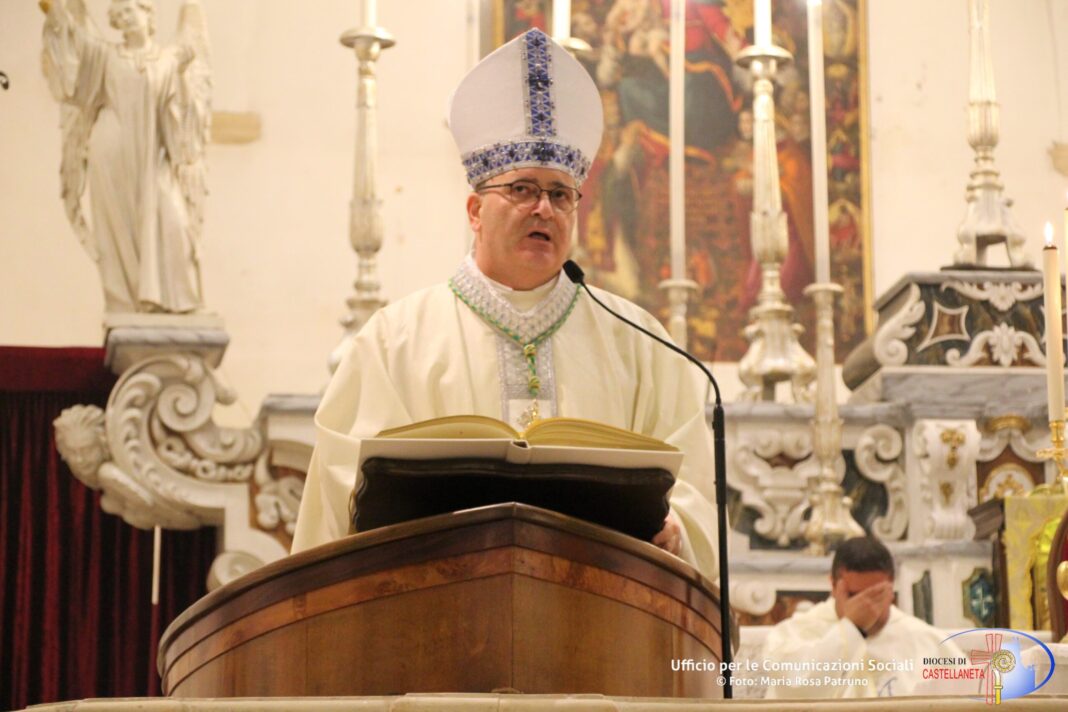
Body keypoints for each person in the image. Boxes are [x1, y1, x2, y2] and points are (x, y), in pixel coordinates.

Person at [292, 28, 719, 579]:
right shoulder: (394, 341)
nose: (544, 209)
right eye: (522, 189)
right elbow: (340, 501)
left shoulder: (641, 343)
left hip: (602, 606)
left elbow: (695, 485)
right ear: (475, 211)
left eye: (560, 194)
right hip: (437, 604)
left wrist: (679, 527)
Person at [41, 0, 210, 314]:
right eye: (118, 15)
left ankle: (181, 301)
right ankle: (128, 303)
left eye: (130, 10)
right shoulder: (106, 55)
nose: (125, 18)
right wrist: (55, 12)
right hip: (112, 153)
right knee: (116, 230)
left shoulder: (168, 58)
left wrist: (183, 76)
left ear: (147, 13)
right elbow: (73, 42)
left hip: (155, 153)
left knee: (174, 221)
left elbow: (184, 115)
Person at [760, 536, 963, 698]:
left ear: (892, 588)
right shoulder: (795, 634)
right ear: (833, 585)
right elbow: (796, 690)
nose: (866, 607)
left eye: (876, 595)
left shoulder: (929, 643)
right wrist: (851, 628)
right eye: (854, 596)